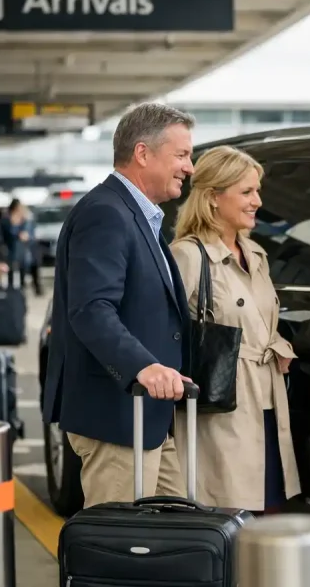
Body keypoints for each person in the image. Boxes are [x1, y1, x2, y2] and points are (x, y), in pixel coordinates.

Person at [42, 102, 197, 508]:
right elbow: (91, 309)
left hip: (148, 419)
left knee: (174, 536)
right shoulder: (106, 213)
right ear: (143, 153)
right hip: (117, 418)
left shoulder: (138, 216)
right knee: (121, 550)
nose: (190, 167)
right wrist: (142, 366)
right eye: (181, 155)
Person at [169, 145, 301, 514]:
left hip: (268, 405)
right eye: (246, 192)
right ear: (213, 198)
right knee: (229, 515)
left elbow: (261, 322)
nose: (257, 201)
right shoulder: (188, 254)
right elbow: (165, 333)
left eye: (257, 191)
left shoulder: (255, 253)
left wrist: (279, 347)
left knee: (269, 512)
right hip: (223, 408)